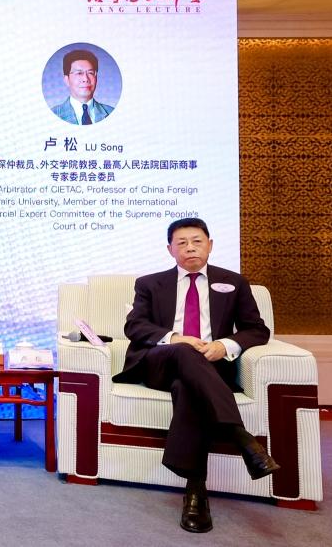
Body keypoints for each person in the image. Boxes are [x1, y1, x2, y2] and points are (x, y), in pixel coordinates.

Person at [117, 217, 279, 533]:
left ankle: (196, 492)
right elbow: (134, 326)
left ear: (210, 245)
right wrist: (176, 338)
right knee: (184, 351)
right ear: (170, 249)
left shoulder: (234, 282)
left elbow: (257, 329)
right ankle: (241, 436)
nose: (190, 248)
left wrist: (225, 345)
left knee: (187, 389)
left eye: (197, 241)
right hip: (161, 362)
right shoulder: (149, 283)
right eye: (182, 243)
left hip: (209, 367)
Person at [50, 48, 115, 125]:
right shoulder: (53, 114)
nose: (85, 79)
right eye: (79, 73)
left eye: (90, 73)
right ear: (67, 80)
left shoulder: (112, 112)